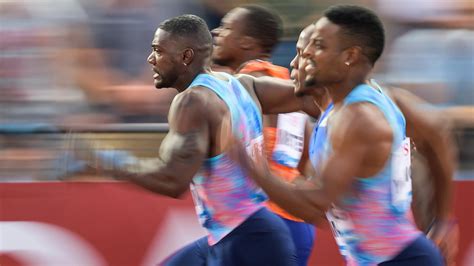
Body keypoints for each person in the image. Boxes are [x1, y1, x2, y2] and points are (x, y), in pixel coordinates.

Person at [65, 14, 322, 265]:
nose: (150, 59)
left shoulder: (193, 100)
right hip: (242, 234)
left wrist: (107, 162)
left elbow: (172, 180)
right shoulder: (243, 85)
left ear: (186, 56)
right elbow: (313, 99)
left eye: (158, 50)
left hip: (250, 241)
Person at [235, 5, 453, 265]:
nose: (298, 61)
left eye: (315, 48)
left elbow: (314, 206)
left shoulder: (361, 118)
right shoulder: (329, 102)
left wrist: (253, 166)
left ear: (349, 56)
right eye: (303, 51)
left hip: (401, 259)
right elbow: (248, 87)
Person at [212, 5, 316, 265]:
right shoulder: (290, 88)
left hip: (261, 223)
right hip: (296, 222)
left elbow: (232, 151)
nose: (216, 32)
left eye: (226, 28)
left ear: (246, 42)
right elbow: (305, 162)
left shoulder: (246, 86)